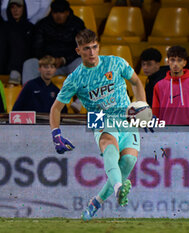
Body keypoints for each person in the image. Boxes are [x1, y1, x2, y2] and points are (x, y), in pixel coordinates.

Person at [49, 29, 147, 220]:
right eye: (86, 49)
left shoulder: (115, 62)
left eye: (94, 47)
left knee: (128, 161)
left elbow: (136, 82)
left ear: (98, 46)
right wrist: (56, 134)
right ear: (78, 51)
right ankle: (119, 187)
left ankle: (97, 201)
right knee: (110, 149)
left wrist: (141, 106)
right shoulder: (75, 78)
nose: (92, 52)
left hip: (125, 116)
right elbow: (55, 109)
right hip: (100, 118)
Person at [22, 0, 85, 84]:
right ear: (51, 13)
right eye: (55, 12)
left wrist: (64, 59)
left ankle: (82, 96)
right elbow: (36, 48)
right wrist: (48, 59)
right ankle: (29, 95)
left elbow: (82, 48)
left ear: (67, 12)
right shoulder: (42, 25)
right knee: (29, 63)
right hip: (47, 63)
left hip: (69, 63)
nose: (58, 16)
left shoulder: (78, 24)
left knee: (82, 62)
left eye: (61, 12)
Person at [152, 46, 189, 125]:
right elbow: (155, 114)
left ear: (184, 63)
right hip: (167, 133)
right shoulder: (159, 86)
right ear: (168, 61)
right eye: (172, 60)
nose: (175, 64)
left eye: (179, 60)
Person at [0, 0, 33, 84]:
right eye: (12, 7)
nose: (15, 10)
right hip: (3, 65)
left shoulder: (30, 28)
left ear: (24, 9)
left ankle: (15, 71)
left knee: (17, 36)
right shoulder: (1, 28)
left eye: (18, 7)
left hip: (23, 66)